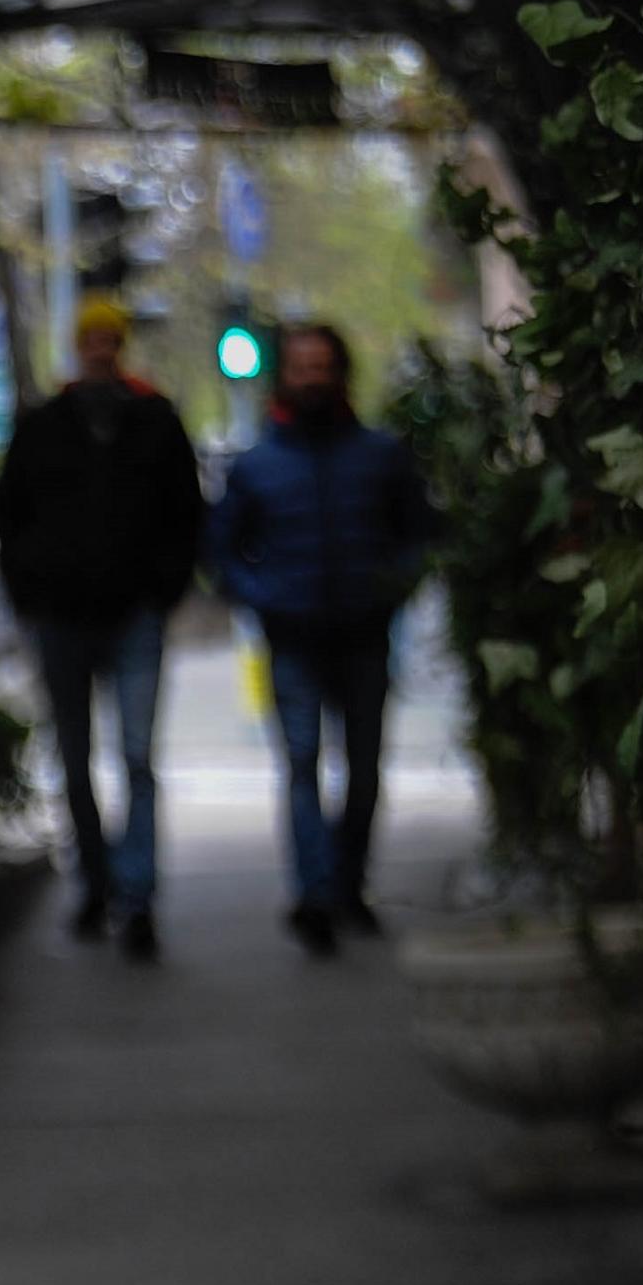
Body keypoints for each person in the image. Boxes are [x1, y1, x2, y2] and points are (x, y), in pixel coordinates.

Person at [0, 297, 203, 961]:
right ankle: (96, 882)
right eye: (93, 340)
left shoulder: (154, 420)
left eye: (111, 339)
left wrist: (164, 587)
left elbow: (186, 511)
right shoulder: (44, 426)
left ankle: (136, 894)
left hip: (133, 613)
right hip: (63, 620)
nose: (101, 350)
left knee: (137, 758)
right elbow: (7, 512)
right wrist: (30, 593)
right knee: (75, 761)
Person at [211, 322, 434, 956]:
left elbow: (419, 534)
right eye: (301, 367)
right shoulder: (257, 465)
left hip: (365, 634)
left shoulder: (381, 456)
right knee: (302, 767)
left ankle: (346, 885)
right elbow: (225, 552)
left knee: (363, 770)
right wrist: (266, 601)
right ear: (286, 375)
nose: (312, 378)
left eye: (321, 366)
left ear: (340, 372)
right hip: (294, 638)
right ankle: (315, 894)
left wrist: (392, 590)